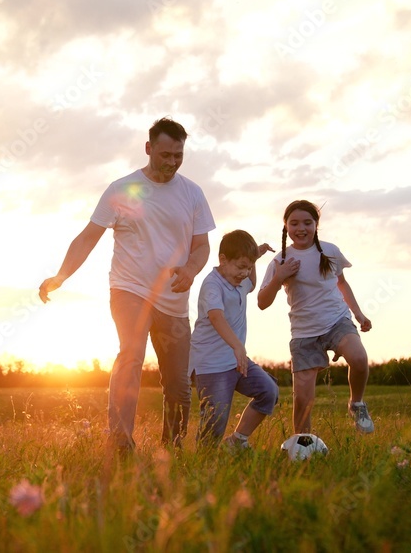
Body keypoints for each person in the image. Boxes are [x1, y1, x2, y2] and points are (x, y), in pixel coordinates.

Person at [39, 117, 216, 453]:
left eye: (178, 155)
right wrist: (61, 276)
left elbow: (202, 246)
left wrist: (191, 270)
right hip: (129, 289)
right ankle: (120, 442)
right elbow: (89, 237)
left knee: (178, 383)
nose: (172, 162)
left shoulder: (193, 193)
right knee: (132, 355)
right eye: (165, 154)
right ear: (149, 149)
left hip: (174, 299)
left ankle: (172, 447)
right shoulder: (122, 189)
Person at [256, 200, 374, 435]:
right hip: (304, 334)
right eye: (294, 223)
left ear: (316, 225)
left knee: (359, 358)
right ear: (286, 227)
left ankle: (357, 404)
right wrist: (279, 278)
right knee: (303, 399)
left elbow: (341, 283)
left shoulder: (330, 251)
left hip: (336, 321)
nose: (301, 228)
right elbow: (262, 302)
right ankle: (303, 446)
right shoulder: (280, 260)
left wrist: (358, 314)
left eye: (307, 223)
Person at [190, 230, 279, 450]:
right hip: (210, 365)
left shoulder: (239, 279)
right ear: (223, 260)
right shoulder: (212, 285)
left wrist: (254, 260)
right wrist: (237, 346)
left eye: (248, 267)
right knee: (215, 421)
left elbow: (251, 284)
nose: (245, 273)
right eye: (241, 266)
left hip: (236, 361)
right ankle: (203, 461)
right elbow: (216, 316)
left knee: (269, 391)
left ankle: (237, 441)